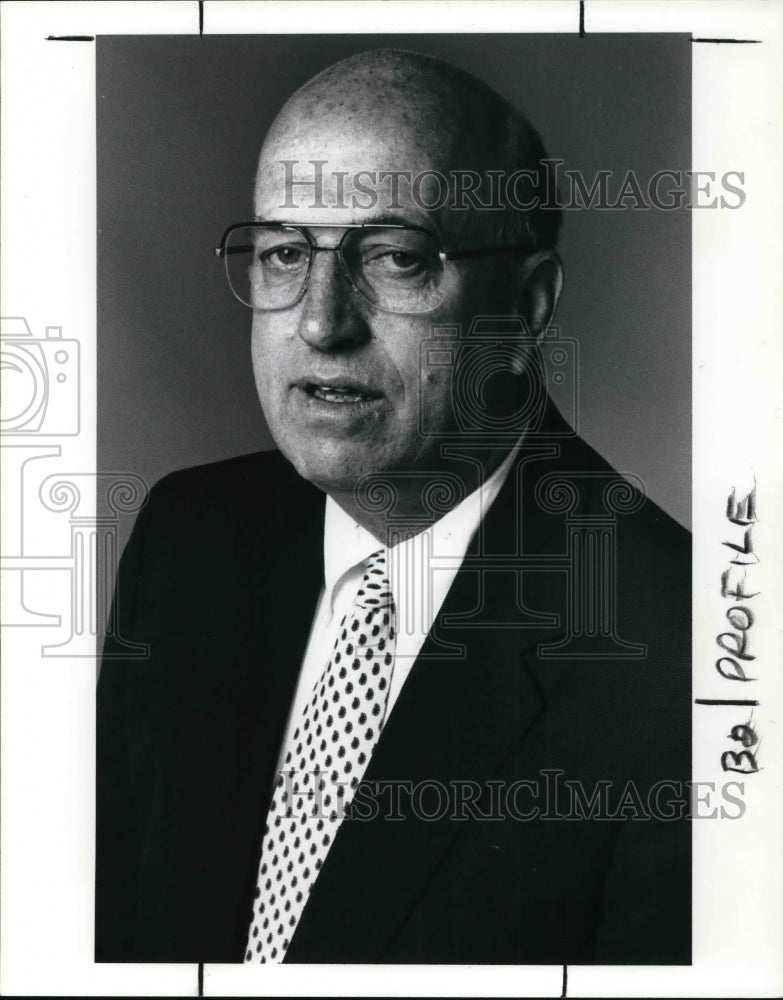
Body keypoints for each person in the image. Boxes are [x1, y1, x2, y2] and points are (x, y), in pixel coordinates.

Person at [96, 48, 691, 965]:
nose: (322, 320)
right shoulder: (190, 540)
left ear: (527, 303)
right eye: (286, 253)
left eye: (396, 257)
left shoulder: (678, 655)